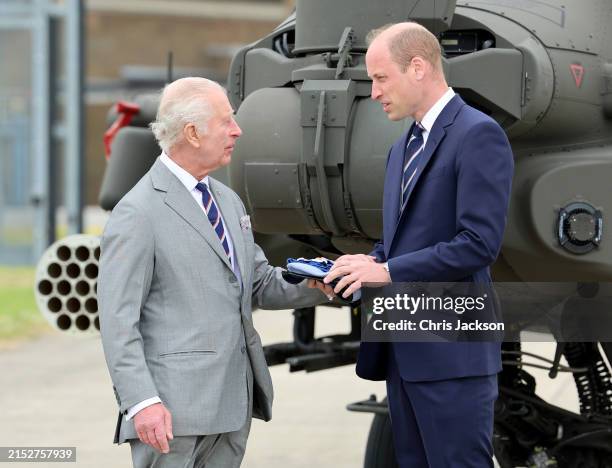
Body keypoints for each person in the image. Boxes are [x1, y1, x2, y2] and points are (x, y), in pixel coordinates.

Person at [98, 77, 332, 468]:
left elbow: (258, 282)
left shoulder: (226, 199)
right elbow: (118, 321)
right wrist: (142, 402)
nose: (237, 130)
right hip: (172, 416)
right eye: (226, 121)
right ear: (191, 132)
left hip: (232, 406)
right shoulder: (137, 213)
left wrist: (327, 282)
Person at [324, 22, 514, 467]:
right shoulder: (403, 146)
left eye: (380, 78)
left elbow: (478, 243)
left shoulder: (477, 135)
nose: (374, 92)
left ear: (418, 67)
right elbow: (405, 242)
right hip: (403, 351)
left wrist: (387, 271)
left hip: (452, 355)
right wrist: (363, 263)